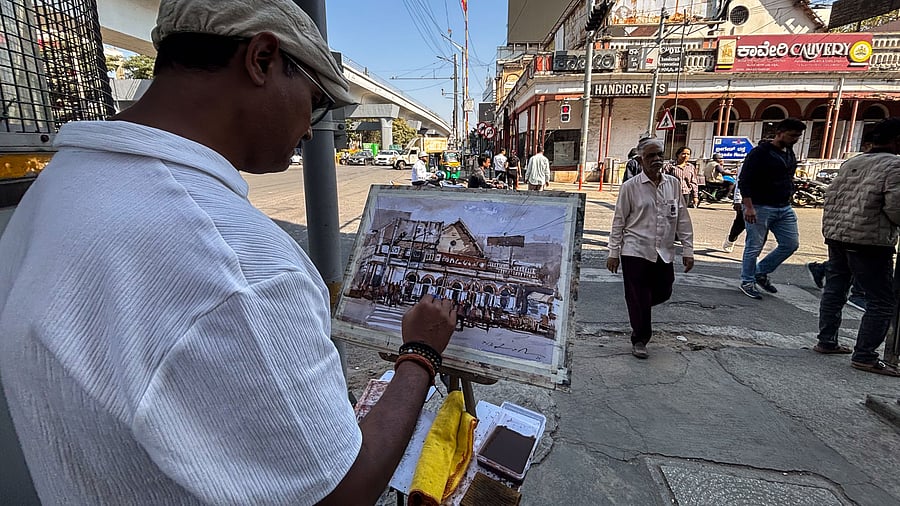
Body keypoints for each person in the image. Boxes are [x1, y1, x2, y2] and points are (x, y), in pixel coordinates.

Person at [0, 1, 457, 504]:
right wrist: (421, 353)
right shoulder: (237, 264)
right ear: (261, 59)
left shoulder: (56, 186)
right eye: (314, 102)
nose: (310, 128)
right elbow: (345, 490)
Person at [812, 118, 900, 376]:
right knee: (881, 300)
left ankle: (826, 341)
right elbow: (896, 208)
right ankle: (865, 355)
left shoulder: (852, 162)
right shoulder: (894, 165)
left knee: (836, 289)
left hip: (838, 235)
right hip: (869, 239)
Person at [607, 137, 694, 359]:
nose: (656, 159)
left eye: (659, 155)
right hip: (635, 250)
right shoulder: (630, 187)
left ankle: (639, 306)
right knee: (639, 296)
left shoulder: (673, 184)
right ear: (640, 159)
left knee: (664, 290)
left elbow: (682, 218)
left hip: (663, 251)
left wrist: (688, 249)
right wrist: (613, 252)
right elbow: (619, 221)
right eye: (650, 156)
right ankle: (640, 339)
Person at [737, 118, 806, 299]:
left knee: (790, 244)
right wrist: (749, 207)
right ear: (779, 133)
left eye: (798, 136)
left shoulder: (789, 152)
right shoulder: (760, 153)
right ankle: (747, 281)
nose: (795, 139)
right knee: (754, 246)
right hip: (759, 206)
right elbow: (744, 180)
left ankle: (760, 271)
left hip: (783, 206)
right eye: (792, 135)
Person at [721, 162, 744, 253]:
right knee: (740, 223)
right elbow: (740, 182)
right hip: (747, 200)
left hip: (766, 202)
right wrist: (737, 199)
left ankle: (753, 254)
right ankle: (731, 239)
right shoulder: (748, 162)